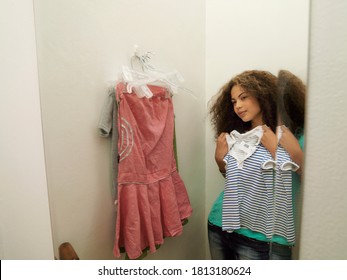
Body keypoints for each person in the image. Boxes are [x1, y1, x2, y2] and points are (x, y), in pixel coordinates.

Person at [207, 70, 302, 260]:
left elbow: (316, 185)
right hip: (220, 224)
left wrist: (277, 148)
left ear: (263, 95)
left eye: (243, 98)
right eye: (234, 102)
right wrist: (220, 161)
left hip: (265, 238)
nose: (238, 106)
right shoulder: (238, 135)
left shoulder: (294, 134)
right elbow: (237, 180)